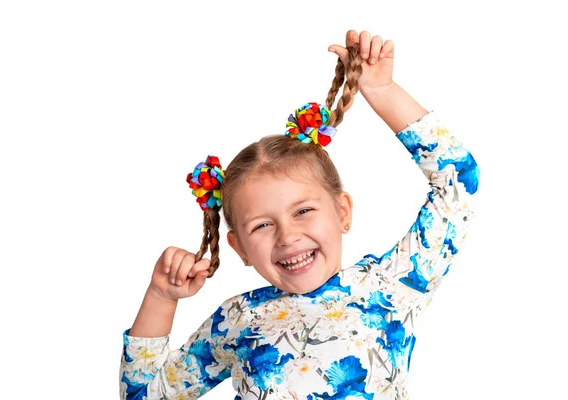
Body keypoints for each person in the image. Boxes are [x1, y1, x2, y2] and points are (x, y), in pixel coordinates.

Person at [119, 29, 480, 400]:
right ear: (239, 247)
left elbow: (458, 182)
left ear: (342, 212)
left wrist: (383, 92)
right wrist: (161, 297)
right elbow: (147, 396)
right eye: (261, 225)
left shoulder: (391, 286)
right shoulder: (237, 319)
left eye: (304, 211)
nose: (287, 236)